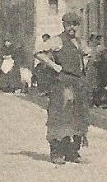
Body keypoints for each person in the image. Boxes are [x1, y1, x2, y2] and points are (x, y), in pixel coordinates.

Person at [38, 15, 92, 163]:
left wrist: (84, 64)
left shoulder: (81, 42)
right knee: (60, 116)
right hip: (62, 83)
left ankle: (73, 152)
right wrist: (55, 66)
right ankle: (57, 152)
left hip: (78, 83)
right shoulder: (57, 40)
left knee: (78, 116)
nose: (72, 28)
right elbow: (38, 52)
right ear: (64, 25)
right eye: (69, 24)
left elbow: (87, 54)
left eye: (75, 24)